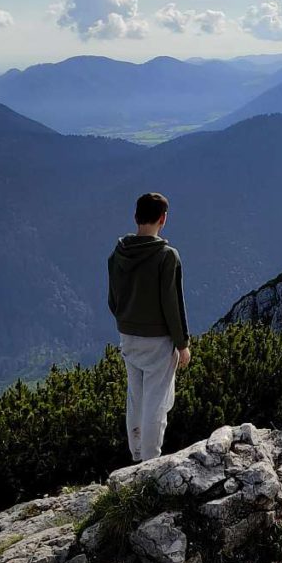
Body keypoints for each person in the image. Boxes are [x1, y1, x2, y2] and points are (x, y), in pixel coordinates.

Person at [107, 192, 190, 463]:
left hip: (127, 336)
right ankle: (150, 462)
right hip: (158, 340)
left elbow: (113, 300)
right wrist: (182, 344)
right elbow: (172, 304)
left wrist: (127, 320)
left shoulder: (118, 254)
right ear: (163, 219)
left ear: (136, 217)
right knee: (156, 402)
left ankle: (137, 453)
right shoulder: (167, 256)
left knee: (136, 397)